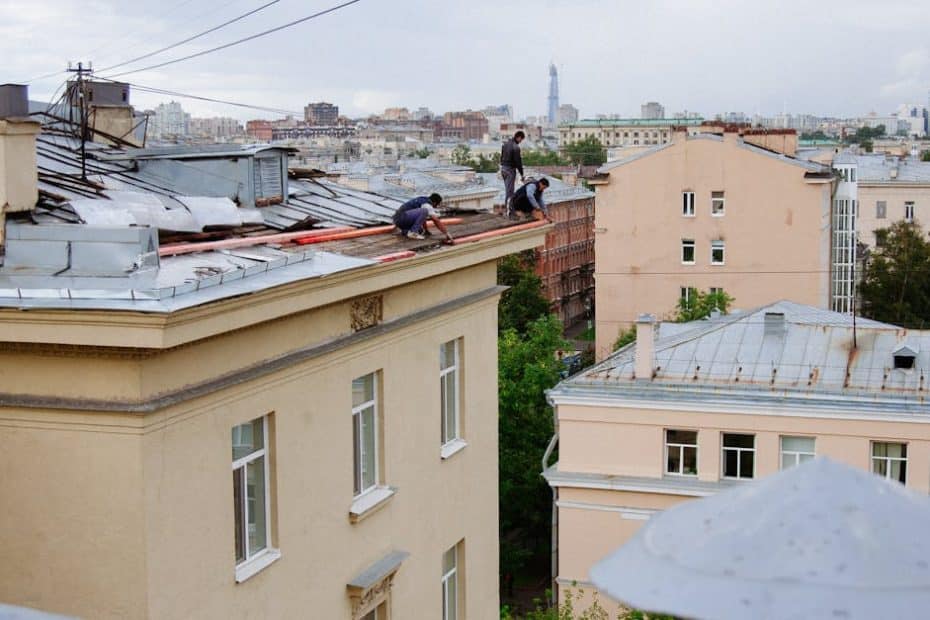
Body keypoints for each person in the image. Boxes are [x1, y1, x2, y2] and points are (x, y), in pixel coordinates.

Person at [500, 131, 525, 215]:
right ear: (519, 137)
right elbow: (518, 162)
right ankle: (509, 211)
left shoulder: (505, 144)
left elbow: (501, 157)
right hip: (510, 170)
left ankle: (508, 210)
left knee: (508, 190)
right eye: (521, 139)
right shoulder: (516, 147)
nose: (521, 141)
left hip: (503, 169)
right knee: (510, 191)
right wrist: (522, 174)